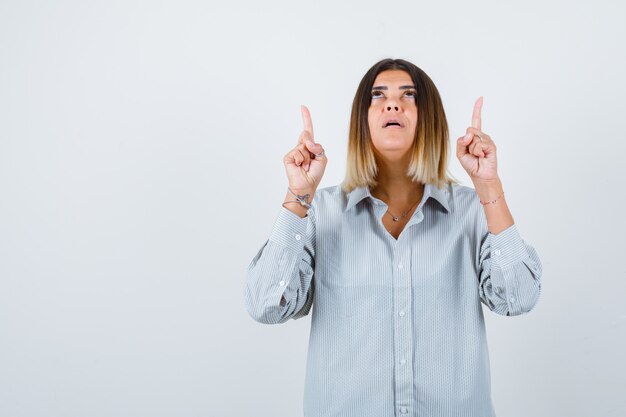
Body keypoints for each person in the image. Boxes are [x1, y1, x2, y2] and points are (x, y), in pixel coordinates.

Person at [244, 58, 542, 417]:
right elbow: (265, 305)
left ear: (428, 118)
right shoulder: (320, 212)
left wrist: (489, 185)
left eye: (409, 95)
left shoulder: (472, 211)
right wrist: (298, 197)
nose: (392, 103)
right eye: (378, 95)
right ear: (362, 120)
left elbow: (519, 297)